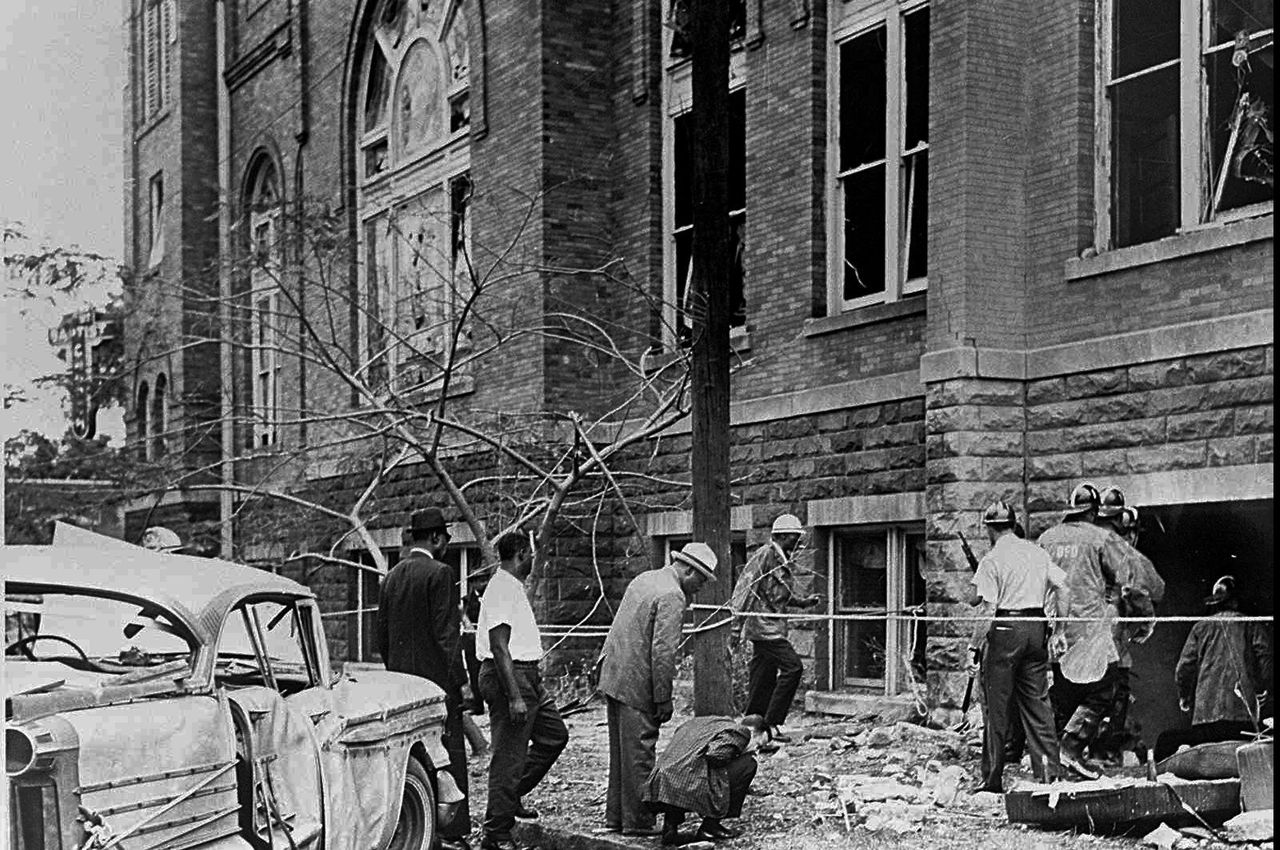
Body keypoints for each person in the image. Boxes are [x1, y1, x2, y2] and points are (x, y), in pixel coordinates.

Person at [597, 541, 716, 836]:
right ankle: (638, 822)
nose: (700, 587)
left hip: (615, 676)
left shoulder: (646, 579)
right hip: (638, 683)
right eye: (700, 579)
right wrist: (663, 698)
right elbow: (663, 654)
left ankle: (618, 817)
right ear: (688, 569)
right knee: (639, 753)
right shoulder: (673, 595)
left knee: (621, 755)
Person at [376, 507, 471, 850]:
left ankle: (421, 832)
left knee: (412, 762)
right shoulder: (441, 573)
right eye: (444, 539)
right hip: (436, 689)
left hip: (401, 689)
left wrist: (398, 675)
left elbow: (381, 640)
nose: (445, 545)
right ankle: (453, 834)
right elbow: (447, 636)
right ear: (435, 538)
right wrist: (461, 682)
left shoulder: (392, 577)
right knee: (449, 759)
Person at [965, 500, 1068, 793]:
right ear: (1013, 524)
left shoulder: (993, 559)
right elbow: (1064, 586)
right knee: (1038, 706)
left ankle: (992, 780)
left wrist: (974, 648)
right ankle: (1050, 778)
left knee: (996, 708)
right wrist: (1059, 628)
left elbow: (986, 609)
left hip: (1006, 629)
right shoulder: (1037, 553)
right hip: (1036, 628)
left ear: (989, 529)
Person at [1035, 482, 1136, 779]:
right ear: (1093, 512)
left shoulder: (1046, 538)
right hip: (1090, 627)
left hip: (1056, 628)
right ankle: (1071, 746)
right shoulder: (1099, 537)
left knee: (1064, 692)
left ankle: (1047, 757)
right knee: (1107, 687)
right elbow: (1125, 578)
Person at [475, 531, 568, 850]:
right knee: (508, 757)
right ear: (519, 554)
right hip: (510, 677)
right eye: (529, 554)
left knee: (555, 736)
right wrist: (514, 695)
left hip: (529, 676)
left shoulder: (512, 587)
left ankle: (509, 796)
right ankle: (496, 832)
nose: (532, 560)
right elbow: (499, 647)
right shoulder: (501, 587)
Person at [1154, 576, 1274, 760]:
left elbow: (1184, 667)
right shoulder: (1251, 624)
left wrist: (1185, 697)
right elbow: (1265, 657)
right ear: (1236, 601)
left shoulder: (1200, 628)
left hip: (1205, 719)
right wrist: (1263, 689)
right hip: (1242, 717)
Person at [730, 514, 821, 743]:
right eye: (794, 536)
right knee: (793, 667)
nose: (797, 541)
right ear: (780, 536)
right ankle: (772, 723)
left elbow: (777, 595)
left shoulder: (781, 559)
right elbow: (744, 589)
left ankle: (754, 724)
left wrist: (803, 602)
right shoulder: (765, 556)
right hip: (763, 628)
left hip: (773, 626)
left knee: (763, 676)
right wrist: (734, 628)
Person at [1092, 501, 1164, 763]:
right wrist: (1146, 623)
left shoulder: (1089, 544)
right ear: (1130, 532)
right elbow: (1143, 589)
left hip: (1079, 631)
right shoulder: (1122, 553)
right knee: (1115, 690)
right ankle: (1105, 751)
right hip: (1109, 630)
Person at [642, 714, 768, 845]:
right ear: (753, 732)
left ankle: (670, 827)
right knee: (749, 764)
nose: (756, 750)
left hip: (660, 781)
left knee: (684, 769)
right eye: (758, 745)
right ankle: (711, 826)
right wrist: (738, 754)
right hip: (686, 784)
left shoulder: (706, 723)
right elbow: (715, 755)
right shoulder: (741, 732)